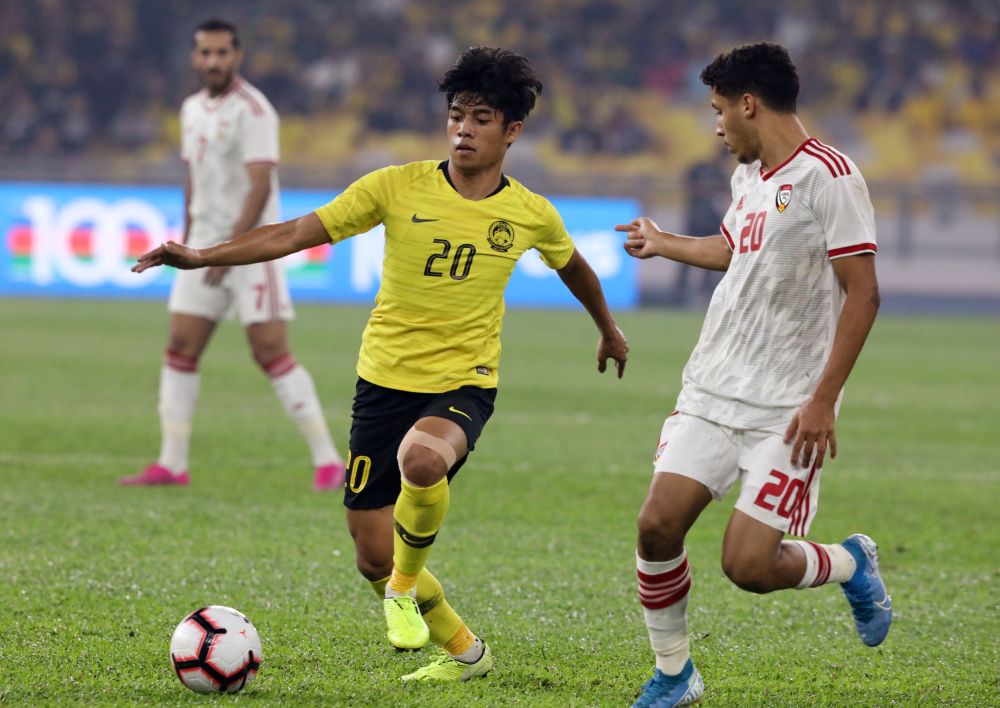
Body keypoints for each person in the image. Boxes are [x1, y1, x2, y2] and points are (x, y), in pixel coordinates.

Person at [133, 46, 629, 682]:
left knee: (421, 460)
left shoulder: (530, 213)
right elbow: (294, 232)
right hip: (383, 384)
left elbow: (574, 267)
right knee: (370, 554)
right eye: (456, 115)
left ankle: (403, 588)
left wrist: (608, 328)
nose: (463, 130)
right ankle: (466, 653)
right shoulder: (395, 186)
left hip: (464, 383)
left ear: (512, 131)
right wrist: (204, 255)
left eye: (481, 119)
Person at [617, 43, 890, 707]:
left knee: (748, 566)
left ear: (748, 104)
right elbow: (737, 249)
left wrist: (823, 401)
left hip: (788, 408)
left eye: (718, 111)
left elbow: (864, 293)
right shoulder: (749, 176)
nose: (716, 126)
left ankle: (849, 561)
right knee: (656, 525)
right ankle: (675, 675)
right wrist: (663, 243)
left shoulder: (831, 177)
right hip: (713, 388)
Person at [118, 19, 345, 491]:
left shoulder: (254, 110)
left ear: (237, 56)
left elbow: (259, 187)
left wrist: (223, 254)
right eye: (206, 53)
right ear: (194, 57)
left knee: (270, 351)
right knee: (180, 346)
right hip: (198, 246)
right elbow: (193, 177)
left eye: (222, 53)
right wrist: (187, 240)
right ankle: (172, 463)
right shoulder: (191, 109)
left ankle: (327, 462)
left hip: (249, 248)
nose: (214, 61)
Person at [670, 146, 729, 306]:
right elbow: (688, 185)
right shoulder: (699, 168)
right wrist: (706, 191)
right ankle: (678, 295)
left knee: (710, 260)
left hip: (712, 221)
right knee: (686, 256)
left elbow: (725, 195)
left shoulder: (721, 174)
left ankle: (705, 295)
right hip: (696, 219)